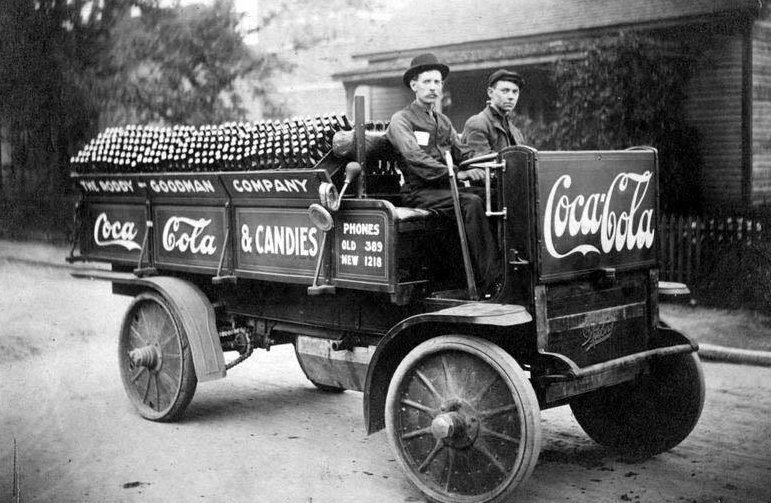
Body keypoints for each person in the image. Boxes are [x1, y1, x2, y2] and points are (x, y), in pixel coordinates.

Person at [386, 53, 501, 296]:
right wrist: (456, 173)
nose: (433, 87)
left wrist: (485, 165)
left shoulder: (443, 121)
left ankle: (508, 270)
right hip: (420, 192)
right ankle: (493, 281)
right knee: (472, 201)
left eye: (437, 82)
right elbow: (414, 157)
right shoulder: (401, 120)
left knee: (494, 196)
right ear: (413, 85)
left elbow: (462, 152)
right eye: (427, 82)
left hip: (446, 189)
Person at [462, 69, 526, 156]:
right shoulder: (477, 124)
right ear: (490, 92)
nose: (511, 97)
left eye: (515, 92)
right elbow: (480, 162)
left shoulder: (515, 132)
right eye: (505, 91)